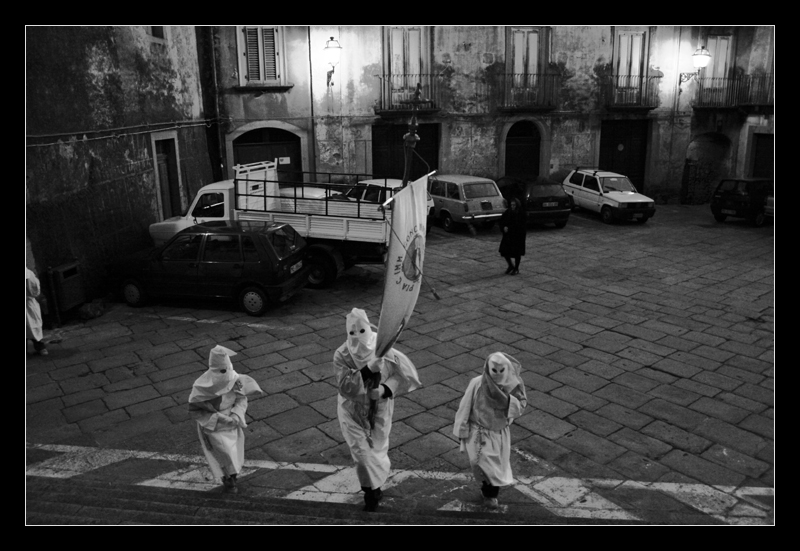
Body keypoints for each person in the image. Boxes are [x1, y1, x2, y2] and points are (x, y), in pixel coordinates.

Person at [333, 308, 422, 512]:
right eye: (352, 333)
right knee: (362, 455)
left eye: (361, 331)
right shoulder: (341, 355)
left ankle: (376, 484)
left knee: (378, 450)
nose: (357, 337)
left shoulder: (383, 347)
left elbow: (402, 375)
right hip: (352, 411)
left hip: (380, 410)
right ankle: (370, 493)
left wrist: (384, 389)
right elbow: (345, 386)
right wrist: (367, 370)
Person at [453, 352, 527, 509]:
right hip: (477, 432)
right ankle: (486, 489)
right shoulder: (477, 383)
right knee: (477, 463)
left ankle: (490, 494)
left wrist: (507, 400)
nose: (498, 374)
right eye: (495, 370)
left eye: (502, 371)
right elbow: (465, 407)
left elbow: (520, 407)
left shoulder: (513, 386)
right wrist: (462, 431)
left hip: (498, 434)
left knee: (494, 467)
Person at [188, 345, 263, 494]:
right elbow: (197, 411)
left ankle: (232, 476)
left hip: (233, 422)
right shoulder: (201, 388)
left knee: (234, 452)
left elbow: (241, 399)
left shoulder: (235, 380)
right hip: (214, 426)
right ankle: (228, 478)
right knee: (224, 451)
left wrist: (236, 415)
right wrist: (220, 418)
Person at [498, 197, 527, 275]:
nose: (513, 206)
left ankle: (516, 268)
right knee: (504, 251)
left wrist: (510, 228)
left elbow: (521, 225)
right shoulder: (508, 212)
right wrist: (503, 227)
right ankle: (510, 265)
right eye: (512, 205)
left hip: (517, 236)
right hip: (508, 236)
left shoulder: (521, 213)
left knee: (517, 253)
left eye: (514, 205)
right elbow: (502, 221)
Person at [26, 267, 48, 356]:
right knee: (32, 325)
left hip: (28, 305)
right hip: (29, 304)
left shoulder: (28, 274)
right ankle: (40, 347)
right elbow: (35, 291)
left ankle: (40, 346)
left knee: (33, 326)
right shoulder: (28, 273)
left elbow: (34, 290)